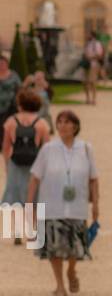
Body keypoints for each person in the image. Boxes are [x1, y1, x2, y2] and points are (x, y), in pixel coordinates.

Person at [26, 108, 98, 296]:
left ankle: (71, 271)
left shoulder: (86, 149)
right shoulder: (48, 149)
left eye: (67, 122)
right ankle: (59, 286)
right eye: (60, 122)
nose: (62, 125)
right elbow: (35, 178)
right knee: (54, 248)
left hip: (77, 207)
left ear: (75, 126)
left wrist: (96, 205)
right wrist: (29, 204)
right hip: (51, 206)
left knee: (75, 248)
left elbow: (93, 179)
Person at [2, 87, 51, 242]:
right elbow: (46, 148)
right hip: (35, 165)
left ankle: (17, 232)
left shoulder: (11, 121)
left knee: (16, 198)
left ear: (20, 104)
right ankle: (32, 231)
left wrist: (7, 165)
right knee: (35, 198)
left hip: (16, 164)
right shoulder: (41, 123)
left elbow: (6, 147)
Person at [0, 55, 23, 133]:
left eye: (3, 63)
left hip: (11, 106)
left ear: (7, 64)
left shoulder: (13, 75)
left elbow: (20, 88)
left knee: (7, 126)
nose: (1, 65)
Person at [83, 33, 104, 106]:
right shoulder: (87, 44)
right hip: (87, 66)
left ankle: (93, 99)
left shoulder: (97, 44)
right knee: (86, 83)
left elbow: (100, 55)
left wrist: (90, 58)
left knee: (93, 82)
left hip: (94, 65)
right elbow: (85, 54)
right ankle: (88, 99)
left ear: (93, 36)